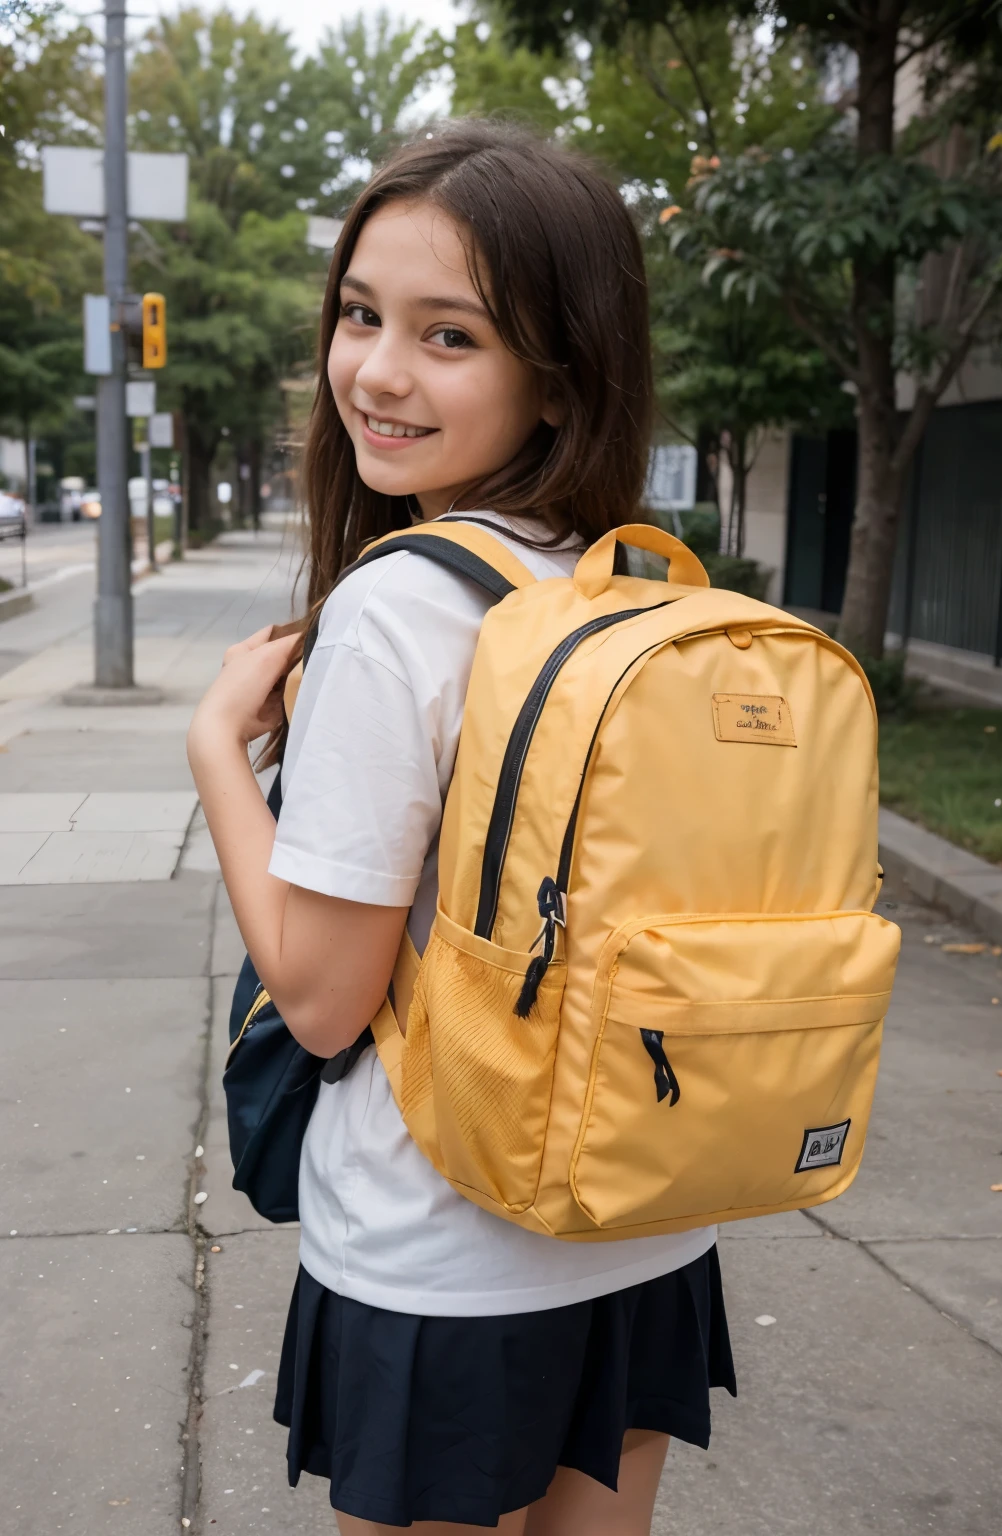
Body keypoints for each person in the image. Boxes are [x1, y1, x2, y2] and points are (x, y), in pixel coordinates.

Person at [187, 119, 735, 1536]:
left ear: (558, 376)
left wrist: (217, 759)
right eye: (362, 315)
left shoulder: (398, 609)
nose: (375, 370)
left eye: (450, 337)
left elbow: (318, 1004)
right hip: (640, 1221)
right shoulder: (633, 588)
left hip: (446, 1253)